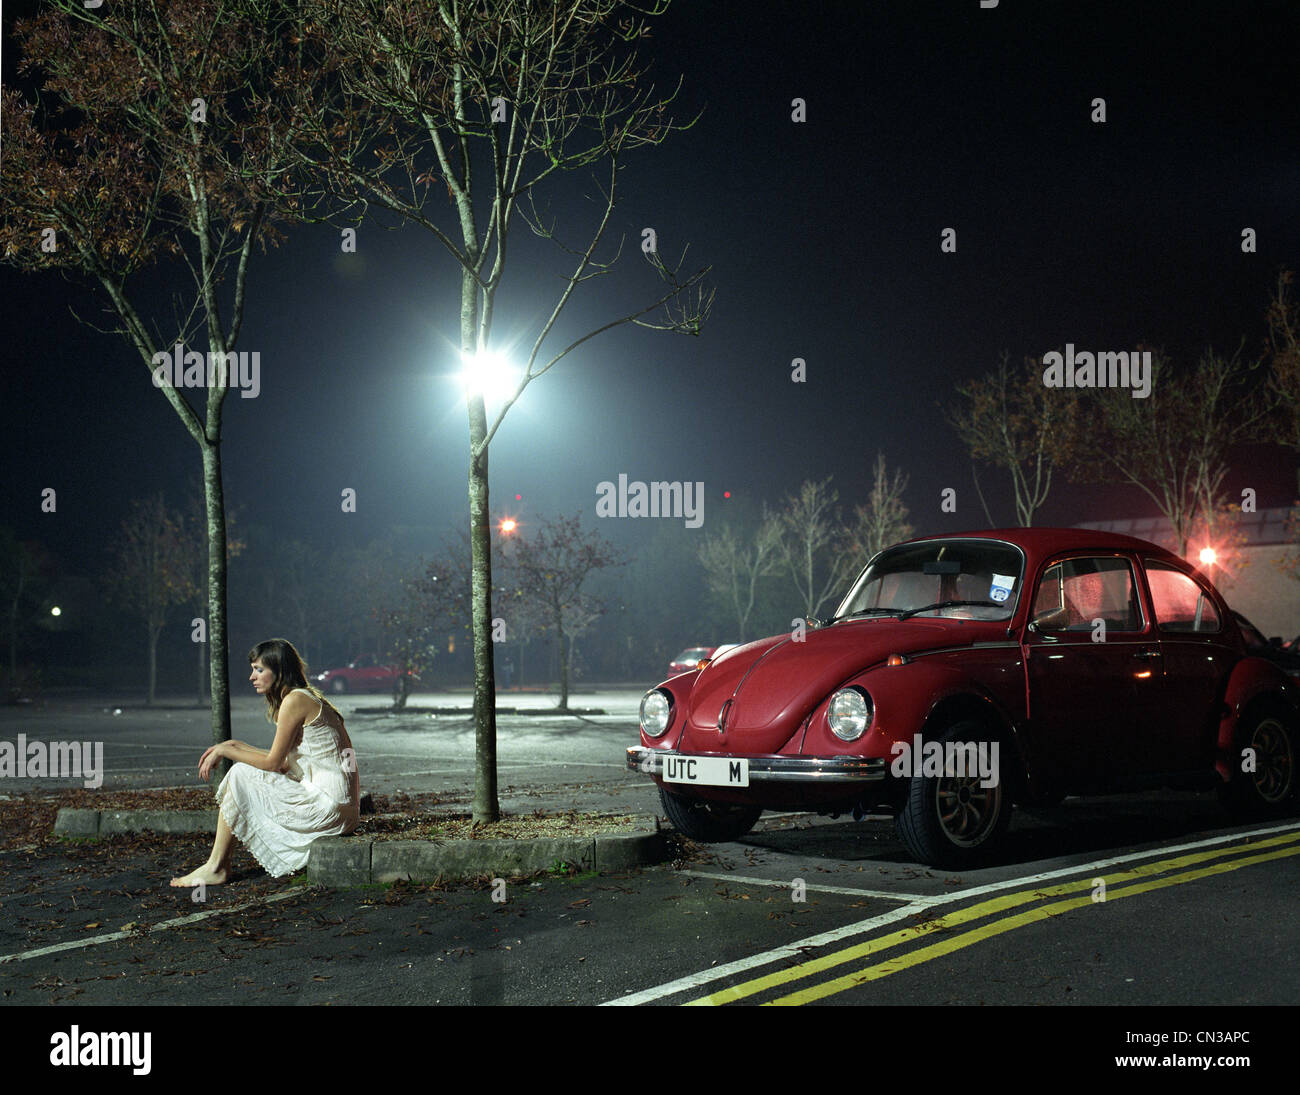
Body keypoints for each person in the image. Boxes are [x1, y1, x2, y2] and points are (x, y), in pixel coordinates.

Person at [169, 638, 361, 888]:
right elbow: (281, 763)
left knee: (239, 774)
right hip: (342, 809)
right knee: (243, 770)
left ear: (279, 671)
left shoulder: (295, 700)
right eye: (253, 669)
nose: (252, 676)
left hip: (330, 807)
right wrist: (232, 745)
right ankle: (216, 865)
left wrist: (228, 750)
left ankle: (216, 867)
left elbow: (272, 763)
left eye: (259, 669)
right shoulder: (304, 697)